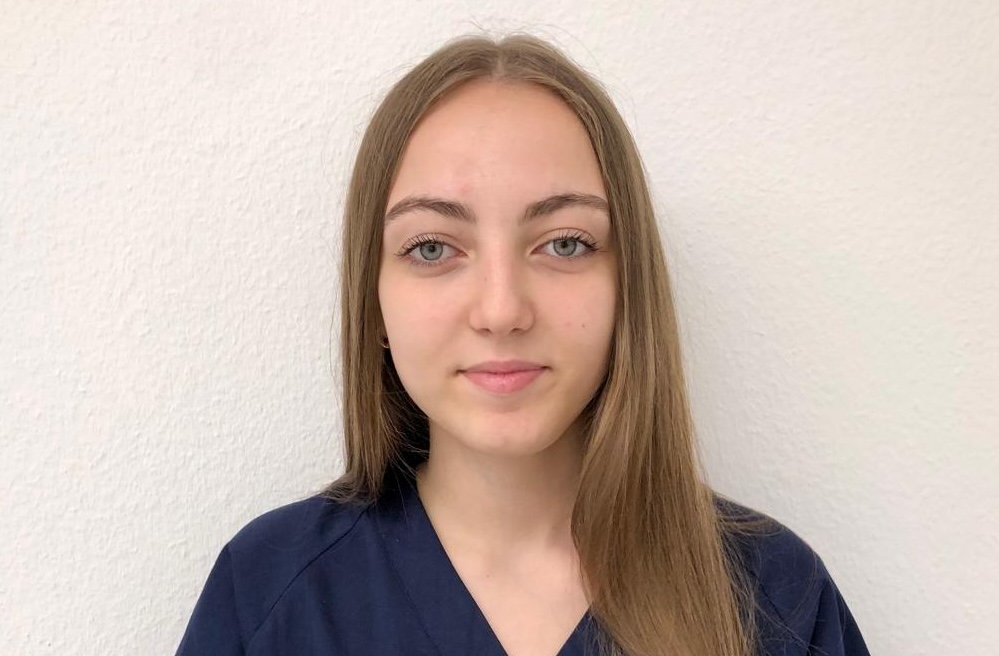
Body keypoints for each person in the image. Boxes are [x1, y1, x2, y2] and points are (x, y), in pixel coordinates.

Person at [176, 34, 871, 656]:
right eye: (431, 248)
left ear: (628, 286)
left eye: (564, 244)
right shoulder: (269, 594)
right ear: (373, 302)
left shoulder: (775, 599)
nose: (502, 310)